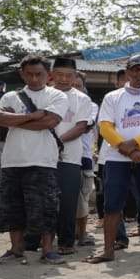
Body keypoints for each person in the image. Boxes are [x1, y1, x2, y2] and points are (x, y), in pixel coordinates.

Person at [86, 54, 140, 263]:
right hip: (117, 159)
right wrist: (125, 149)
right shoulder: (113, 97)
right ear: (127, 72)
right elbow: (105, 126)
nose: (139, 72)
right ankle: (108, 250)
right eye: (135, 69)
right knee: (112, 205)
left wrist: (133, 145)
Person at [0, 55, 67, 265]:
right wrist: (34, 116)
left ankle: (48, 250)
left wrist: (13, 120)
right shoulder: (10, 96)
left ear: (48, 75)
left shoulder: (56, 95)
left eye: (39, 74)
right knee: (12, 207)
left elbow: (49, 122)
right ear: (21, 74)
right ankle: (16, 249)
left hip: (43, 159)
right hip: (13, 159)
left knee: (46, 206)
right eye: (29, 74)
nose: (34, 79)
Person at [49, 58, 94, 256]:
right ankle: (43, 240)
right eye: (60, 74)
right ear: (52, 75)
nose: (64, 79)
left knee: (68, 201)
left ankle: (66, 241)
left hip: (70, 157)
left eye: (69, 75)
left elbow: (81, 126)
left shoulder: (82, 99)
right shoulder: (43, 95)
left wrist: (57, 143)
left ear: (75, 76)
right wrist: (49, 146)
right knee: (44, 200)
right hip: (42, 157)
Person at [73, 72, 99, 248]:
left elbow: (84, 126)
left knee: (82, 198)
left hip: (83, 157)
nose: (75, 90)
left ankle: (81, 234)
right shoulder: (56, 103)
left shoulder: (91, 106)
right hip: (56, 157)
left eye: (78, 86)